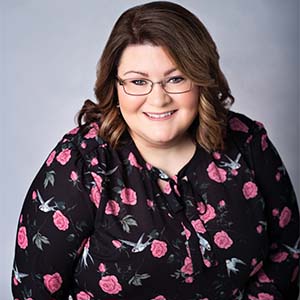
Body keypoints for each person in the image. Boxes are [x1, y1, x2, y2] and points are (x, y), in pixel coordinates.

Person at [11, 1, 299, 299]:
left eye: (175, 79)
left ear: (201, 79)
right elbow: (34, 291)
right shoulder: (81, 162)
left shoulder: (247, 142)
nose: (158, 99)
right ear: (115, 85)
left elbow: (287, 254)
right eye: (138, 81)